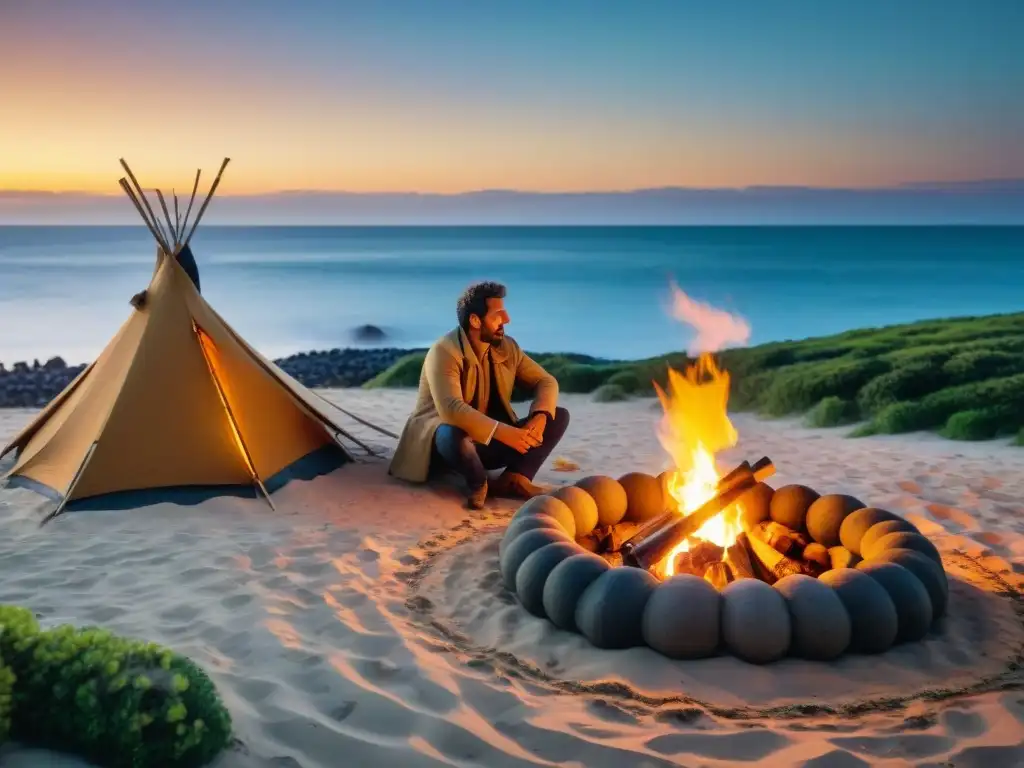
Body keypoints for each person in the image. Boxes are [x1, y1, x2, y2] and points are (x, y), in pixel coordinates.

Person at [389, 281, 570, 509]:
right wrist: (505, 433)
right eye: (498, 315)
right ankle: (478, 483)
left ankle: (516, 479)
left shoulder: (507, 347)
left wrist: (540, 417)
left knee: (557, 415)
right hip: (444, 449)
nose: (506, 319)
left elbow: (546, 381)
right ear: (475, 320)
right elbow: (451, 409)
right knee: (451, 432)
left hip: (487, 443)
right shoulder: (444, 351)